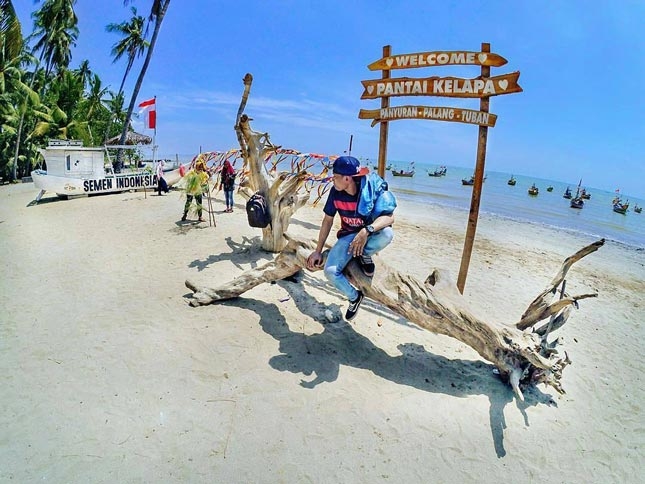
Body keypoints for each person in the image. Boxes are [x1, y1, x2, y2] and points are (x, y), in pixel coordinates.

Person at [306, 156, 396, 321]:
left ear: (347, 178)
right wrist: (318, 251)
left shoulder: (370, 190)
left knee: (387, 234)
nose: (332, 179)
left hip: (368, 234)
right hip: (347, 236)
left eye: (335, 176)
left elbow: (389, 218)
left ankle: (365, 255)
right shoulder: (335, 193)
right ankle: (355, 297)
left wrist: (366, 231)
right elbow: (327, 220)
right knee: (331, 272)